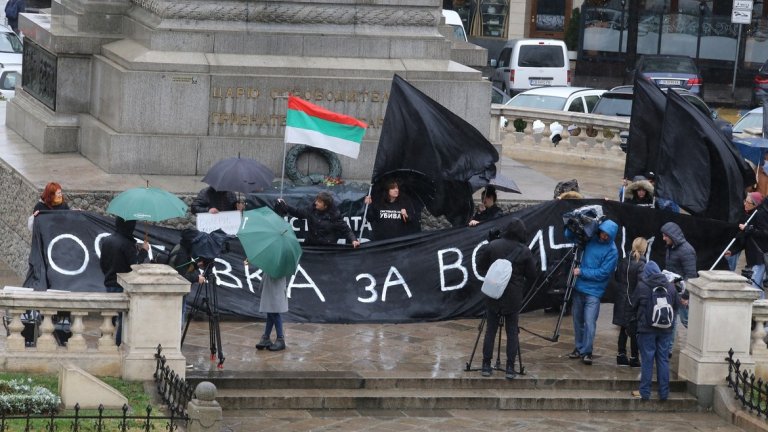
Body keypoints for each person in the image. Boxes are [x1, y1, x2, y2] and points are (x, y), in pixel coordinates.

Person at [476, 218, 537, 379]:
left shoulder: (493, 246)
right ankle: (510, 367)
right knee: (512, 332)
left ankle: (486, 365)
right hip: (513, 297)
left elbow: (480, 267)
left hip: (493, 294)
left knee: (490, 330)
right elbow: (532, 274)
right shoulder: (524, 251)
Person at [565, 218, 619, 365]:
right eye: (603, 233)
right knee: (577, 321)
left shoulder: (612, 251)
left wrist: (582, 272)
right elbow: (569, 236)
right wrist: (571, 225)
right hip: (579, 287)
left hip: (594, 292)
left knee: (589, 322)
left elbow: (603, 273)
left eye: (607, 235)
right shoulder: (590, 238)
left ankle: (587, 351)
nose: (604, 236)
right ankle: (579, 348)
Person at [631, 260, 680, 401]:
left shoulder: (642, 286)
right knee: (663, 360)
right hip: (665, 329)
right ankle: (664, 393)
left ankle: (645, 392)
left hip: (646, 329)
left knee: (647, 360)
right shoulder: (670, 287)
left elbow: (633, 305)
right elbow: (676, 306)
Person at [99, 217, 150, 345]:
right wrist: (144, 251)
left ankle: (105, 343)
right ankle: (118, 345)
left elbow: (102, 263)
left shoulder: (107, 240)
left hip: (109, 283)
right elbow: (135, 265)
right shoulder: (127, 244)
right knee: (124, 319)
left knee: (109, 317)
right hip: (123, 286)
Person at [276, 191, 360, 247]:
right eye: (316, 200)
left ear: (325, 206)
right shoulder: (311, 209)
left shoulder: (334, 215)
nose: (316, 202)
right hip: (311, 246)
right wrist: (285, 206)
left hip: (327, 250)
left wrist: (353, 240)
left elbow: (346, 230)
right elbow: (298, 212)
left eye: (319, 202)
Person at [612, 237, 647, 368]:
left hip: (621, 299)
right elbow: (641, 284)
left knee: (623, 328)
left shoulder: (624, 261)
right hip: (633, 301)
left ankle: (621, 355)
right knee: (634, 330)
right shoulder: (641, 264)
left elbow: (616, 277)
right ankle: (634, 357)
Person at [726, 192, 768, 293]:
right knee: (755, 286)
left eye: (749, 203)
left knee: (754, 287)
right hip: (753, 257)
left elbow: (765, 233)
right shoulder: (748, 215)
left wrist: (748, 228)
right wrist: (732, 251)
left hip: (759, 257)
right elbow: (744, 238)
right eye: (745, 201)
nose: (745, 204)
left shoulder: (759, 215)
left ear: (755, 205)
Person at [661, 221, 697, 329]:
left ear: (672, 236)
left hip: (682, 294)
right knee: (671, 322)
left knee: (687, 321)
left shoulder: (686, 251)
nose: (663, 238)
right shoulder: (671, 247)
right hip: (673, 290)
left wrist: (686, 296)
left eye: (665, 236)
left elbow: (691, 275)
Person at [254, 273, 289, 352]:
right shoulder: (271, 264)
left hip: (276, 290)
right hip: (269, 288)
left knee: (275, 314)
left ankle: (280, 338)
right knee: (270, 313)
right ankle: (266, 337)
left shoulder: (281, 264)